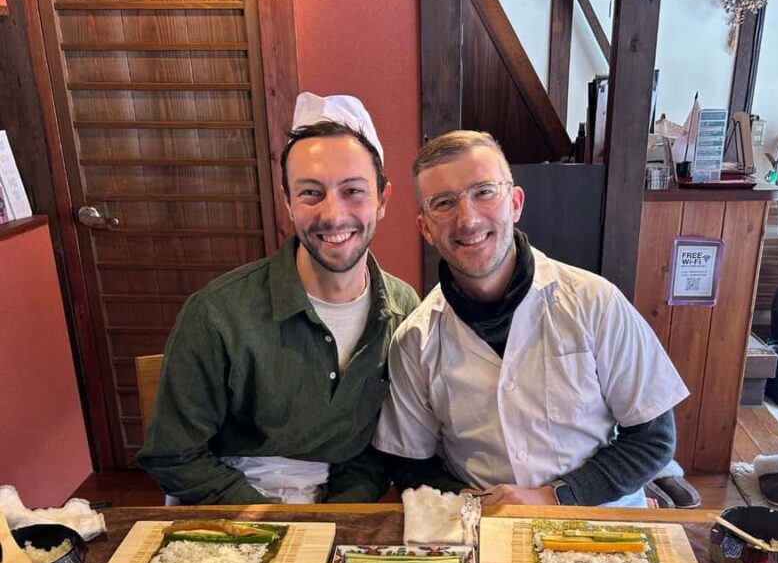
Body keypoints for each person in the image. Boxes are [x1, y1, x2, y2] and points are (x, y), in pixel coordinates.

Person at [373, 130, 688, 507]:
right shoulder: (415, 340)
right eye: (443, 203)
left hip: (599, 521)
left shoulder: (595, 302)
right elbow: (410, 463)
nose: (468, 219)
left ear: (515, 202)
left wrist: (555, 497)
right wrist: (478, 503)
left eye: (484, 192)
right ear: (425, 227)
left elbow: (654, 438)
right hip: (482, 525)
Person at [137, 93, 419, 504]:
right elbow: (174, 455)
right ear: (287, 203)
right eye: (310, 193)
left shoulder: (403, 309)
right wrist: (279, 525)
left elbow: (380, 446)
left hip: (338, 508)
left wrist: (339, 512)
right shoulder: (216, 313)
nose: (333, 214)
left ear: (383, 200)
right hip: (230, 505)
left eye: (353, 191)